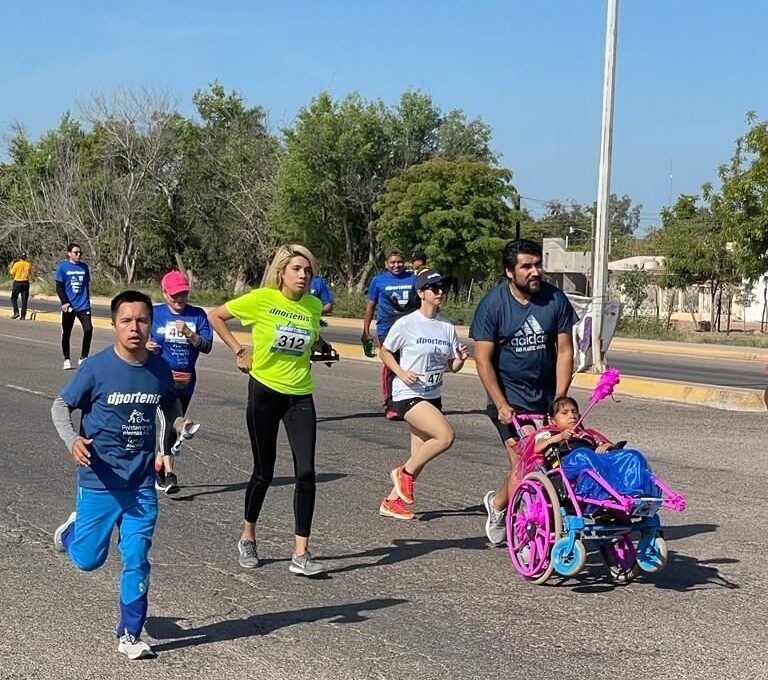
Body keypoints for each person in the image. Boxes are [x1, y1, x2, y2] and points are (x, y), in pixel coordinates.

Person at [51, 290, 189, 660]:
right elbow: (60, 405)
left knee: (137, 557)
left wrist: (177, 421)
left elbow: (168, 399)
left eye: (142, 320)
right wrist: (72, 440)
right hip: (99, 480)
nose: (135, 327)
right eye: (126, 320)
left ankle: (130, 633)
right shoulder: (96, 368)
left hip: (140, 483)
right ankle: (72, 530)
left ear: (150, 325)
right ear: (113, 325)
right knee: (87, 561)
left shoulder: (158, 367)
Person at [208, 244, 327, 576]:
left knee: (306, 472)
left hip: (300, 396)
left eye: (308, 272)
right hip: (264, 391)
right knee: (265, 471)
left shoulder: (314, 306)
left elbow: (308, 339)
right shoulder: (262, 299)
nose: (303, 276)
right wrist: (238, 350)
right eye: (297, 270)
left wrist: (320, 348)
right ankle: (248, 535)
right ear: (282, 273)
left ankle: (301, 553)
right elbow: (215, 315)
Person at [469, 239, 579, 544]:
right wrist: (501, 404)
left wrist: (560, 398)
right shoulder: (493, 305)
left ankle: (503, 504)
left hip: (545, 397)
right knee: (526, 460)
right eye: (526, 266)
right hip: (509, 399)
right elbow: (482, 359)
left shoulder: (554, 299)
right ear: (509, 271)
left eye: (538, 264)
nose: (535, 272)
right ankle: (525, 528)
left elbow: (566, 351)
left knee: (555, 456)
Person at [378, 269, 469, 520]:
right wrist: (400, 371)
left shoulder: (446, 327)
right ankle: (402, 473)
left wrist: (460, 361)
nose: (440, 292)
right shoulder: (407, 323)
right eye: (434, 288)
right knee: (445, 436)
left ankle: (391, 502)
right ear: (421, 293)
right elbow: (385, 351)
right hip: (408, 392)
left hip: (433, 394)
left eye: (442, 288)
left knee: (418, 457)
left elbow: (449, 366)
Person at [147, 270, 213, 494]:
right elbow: (134, 337)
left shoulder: (198, 315)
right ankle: (169, 475)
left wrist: (190, 334)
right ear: (164, 293)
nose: (179, 299)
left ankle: (156, 471)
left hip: (186, 381)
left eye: (183, 294)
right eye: (174, 295)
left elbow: (207, 346)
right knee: (169, 423)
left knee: (173, 429)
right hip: (160, 377)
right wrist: (144, 345)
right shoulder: (154, 314)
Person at [525, 396, 659, 503]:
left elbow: (609, 446)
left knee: (632, 455)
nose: (571, 416)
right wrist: (560, 436)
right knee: (583, 455)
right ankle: (605, 494)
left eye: (574, 412)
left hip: (594, 458)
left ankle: (636, 492)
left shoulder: (587, 433)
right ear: (553, 420)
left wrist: (605, 446)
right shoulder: (549, 432)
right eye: (564, 413)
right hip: (567, 463)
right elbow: (538, 447)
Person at [361, 250, 417, 419]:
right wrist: (366, 331)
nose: (396, 265)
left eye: (399, 262)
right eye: (392, 262)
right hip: (387, 328)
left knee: (412, 365)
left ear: (404, 263)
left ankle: (413, 402)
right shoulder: (378, 281)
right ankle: (390, 404)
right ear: (386, 264)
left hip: (411, 328)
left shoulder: (414, 279)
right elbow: (370, 306)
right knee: (391, 366)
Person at [55, 243, 93, 370]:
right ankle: (67, 358)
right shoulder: (63, 267)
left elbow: (86, 286)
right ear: (69, 253)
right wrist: (64, 302)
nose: (78, 255)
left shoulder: (84, 267)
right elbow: (59, 287)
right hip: (69, 305)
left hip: (83, 305)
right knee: (66, 333)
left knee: (88, 329)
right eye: (75, 252)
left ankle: (83, 357)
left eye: (80, 253)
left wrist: (88, 301)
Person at [8, 252, 31, 320]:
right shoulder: (28, 264)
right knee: (24, 299)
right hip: (26, 282)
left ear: (19, 257)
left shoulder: (17, 264)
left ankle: (16, 312)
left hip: (18, 282)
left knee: (14, 298)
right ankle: (23, 315)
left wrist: (11, 265)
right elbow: (29, 273)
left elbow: (12, 272)